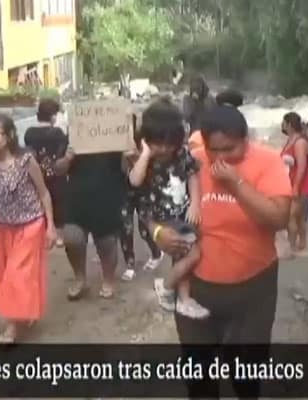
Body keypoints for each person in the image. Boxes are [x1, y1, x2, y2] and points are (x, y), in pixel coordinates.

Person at [152, 105, 291, 398]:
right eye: (213, 150)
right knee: (199, 374)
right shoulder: (190, 162)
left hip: (252, 292)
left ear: (245, 140)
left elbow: (278, 219)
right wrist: (157, 233)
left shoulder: (268, 162)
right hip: (196, 290)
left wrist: (236, 183)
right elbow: (152, 204)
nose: (220, 158)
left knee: (246, 373)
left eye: (229, 149)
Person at [0, 113, 57, 343]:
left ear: (10, 135)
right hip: (2, 227)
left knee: (17, 275)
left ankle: (11, 327)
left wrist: (51, 226)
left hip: (30, 224)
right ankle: (24, 312)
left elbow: (44, 193)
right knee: (4, 276)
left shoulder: (26, 160)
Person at [129, 99, 207, 318]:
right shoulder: (142, 158)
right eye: (157, 143)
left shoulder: (181, 154)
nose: (164, 149)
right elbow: (135, 180)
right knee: (192, 254)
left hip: (182, 214)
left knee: (183, 255)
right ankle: (166, 287)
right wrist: (146, 153)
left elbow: (193, 176)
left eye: (169, 144)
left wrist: (195, 204)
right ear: (146, 139)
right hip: (160, 218)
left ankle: (183, 299)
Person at [60, 142, 127, 300]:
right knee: (72, 238)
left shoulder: (117, 137)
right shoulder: (74, 136)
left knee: (107, 242)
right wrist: (67, 158)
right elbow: (58, 169)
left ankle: (108, 280)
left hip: (108, 196)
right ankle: (80, 279)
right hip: (77, 197)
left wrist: (128, 155)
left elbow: (128, 171)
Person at [119, 114, 164, 281]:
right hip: (123, 190)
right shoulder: (111, 144)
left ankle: (156, 253)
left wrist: (135, 157)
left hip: (143, 189)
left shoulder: (145, 140)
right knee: (125, 227)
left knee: (145, 228)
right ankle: (130, 263)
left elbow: (152, 169)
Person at [24, 98, 68, 247]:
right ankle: (58, 236)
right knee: (58, 205)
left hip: (35, 177)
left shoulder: (29, 133)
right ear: (54, 116)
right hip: (55, 178)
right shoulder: (58, 133)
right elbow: (62, 153)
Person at [281, 112, 308, 253]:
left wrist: (295, 187)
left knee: (290, 217)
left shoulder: (299, 142)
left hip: (301, 182)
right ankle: (303, 242)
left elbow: (302, 167)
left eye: (283, 123)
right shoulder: (291, 139)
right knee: (299, 216)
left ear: (289, 124)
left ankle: (292, 248)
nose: (281, 125)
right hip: (292, 181)